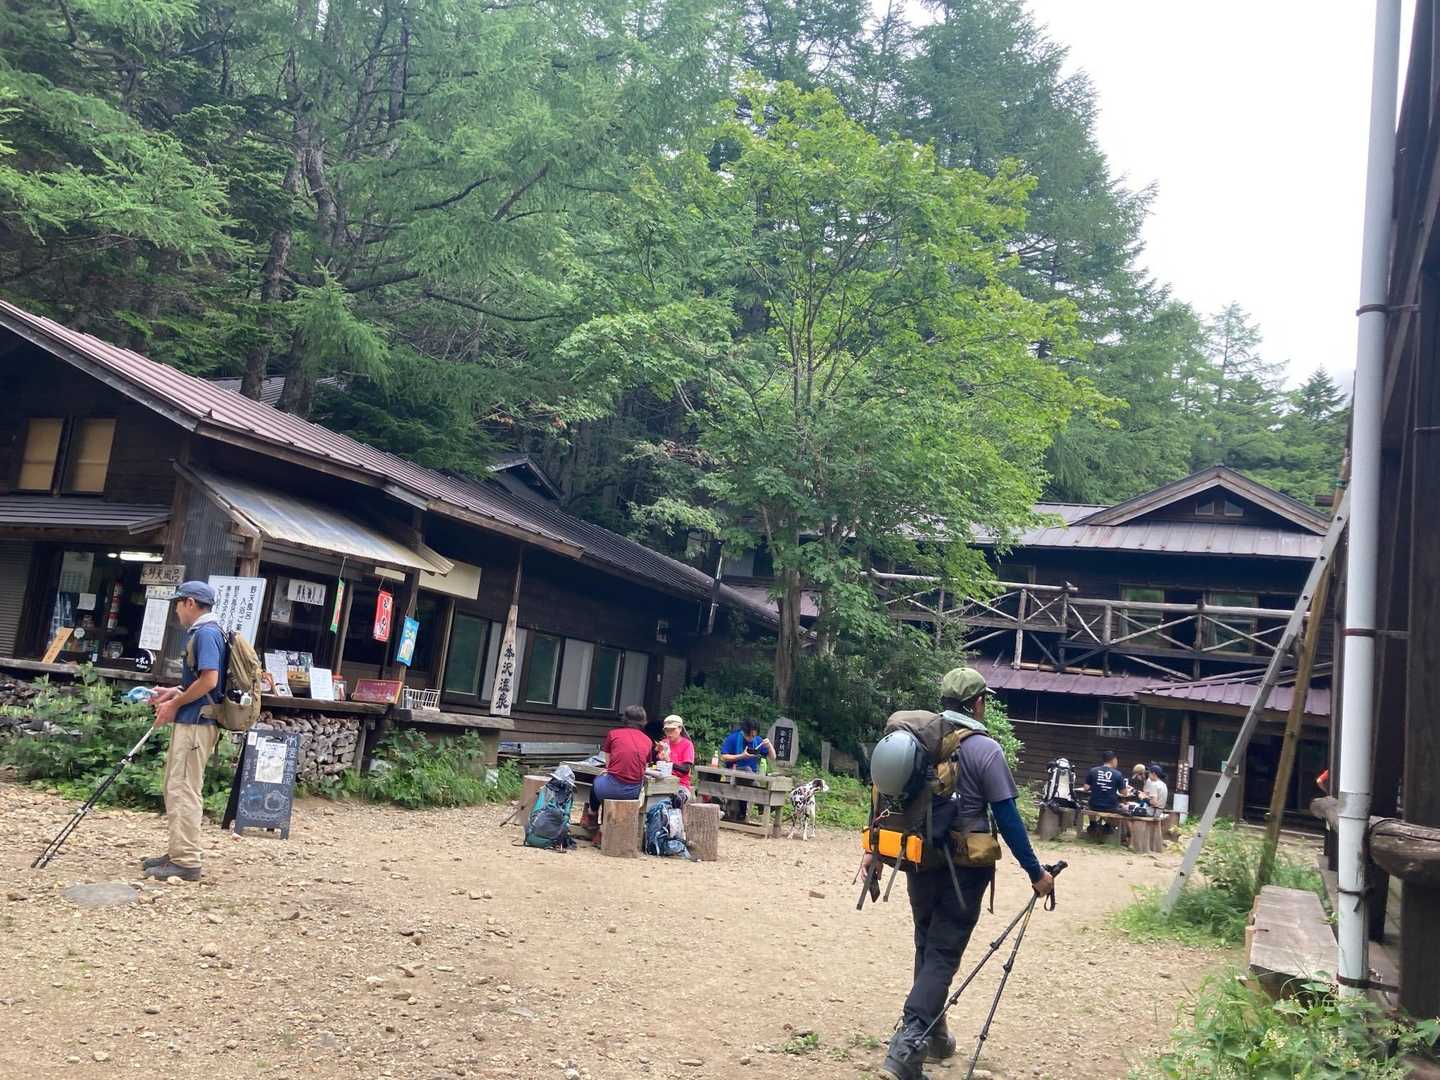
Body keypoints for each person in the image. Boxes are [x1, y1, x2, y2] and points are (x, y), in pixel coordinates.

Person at [862, 667, 1054, 1080]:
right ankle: (906, 1047)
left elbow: (884, 794)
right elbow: (1008, 818)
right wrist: (1035, 872)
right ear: (978, 703)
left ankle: (934, 1036)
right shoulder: (985, 750)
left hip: (918, 858)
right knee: (943, 952)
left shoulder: (918, 741)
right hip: (965, 869)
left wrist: (873, 850)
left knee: (927, 943)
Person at [142, 581, 227, 882]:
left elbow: (210, 681)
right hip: (195, 721)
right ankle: (177, 851)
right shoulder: (209, 632)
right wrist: (174, 692)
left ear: (190, 603)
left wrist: (174, 704)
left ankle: (187, 860)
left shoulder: (205, 633)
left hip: (196, 723)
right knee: (175, 785)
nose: (176, 609)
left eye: (178, 603)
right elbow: (201, 682)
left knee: (184, 788)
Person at [580, 705, 652, 830]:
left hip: (611, 788)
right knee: (605, 782)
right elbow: (644, 767)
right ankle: (605, 829)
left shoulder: (613, 734)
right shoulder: (648, 741)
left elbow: (608, 765)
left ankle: (592, 815)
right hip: (633, 793)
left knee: (596, 782)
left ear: (625, 718)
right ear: (643, 721)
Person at [719, 718, 774, 821]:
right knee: (748, 771)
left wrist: (769, 746)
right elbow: (723, 756)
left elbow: (773, 757)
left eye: (754, 736)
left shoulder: (758, 741)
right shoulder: (733, 738)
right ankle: (762, 802)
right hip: (734, 773)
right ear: (744, 731)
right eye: (750, 736)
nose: (752, 738)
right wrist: (741, 756)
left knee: (749, 774)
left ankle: (749, 810)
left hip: (750, 777)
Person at [1083, 750, 1127, 832]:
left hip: (1094, 805)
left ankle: (1093, 824)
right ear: (1113, 760)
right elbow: (1124, 793)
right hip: (1111, 807)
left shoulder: (1093, 771)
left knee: (1089, 803)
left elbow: (1086, 788)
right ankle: (1108, 826)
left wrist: (1097, 784)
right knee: (1123, 809)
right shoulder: (1118, 774)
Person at [662, 715, 695, 791]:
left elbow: (686, 769)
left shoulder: (687, 745)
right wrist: (656, 752)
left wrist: (669, 762)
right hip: (662, 782)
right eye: (667, 730)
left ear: (680, 729)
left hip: (680, 784)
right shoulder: (664, 743)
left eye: (672, 730)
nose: (669, 733)